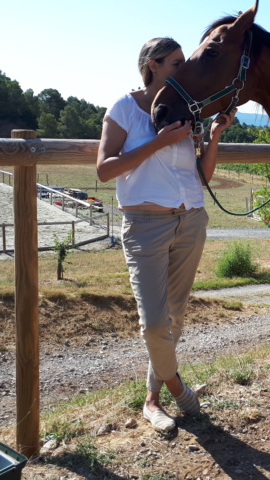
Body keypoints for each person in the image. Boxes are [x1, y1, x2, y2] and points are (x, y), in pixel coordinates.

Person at [96, 37, 237, 431]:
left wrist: (212, 137)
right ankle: (178, 388)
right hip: (146, 225)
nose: (184, 70)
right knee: (155, 322)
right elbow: (105, 169)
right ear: (153, 65)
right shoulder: (125, 107)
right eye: (177, 63)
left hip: (191, 220)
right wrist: (160, 142)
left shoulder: (184, 109)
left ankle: (152, 400)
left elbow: (201, 177)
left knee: (174, 321)